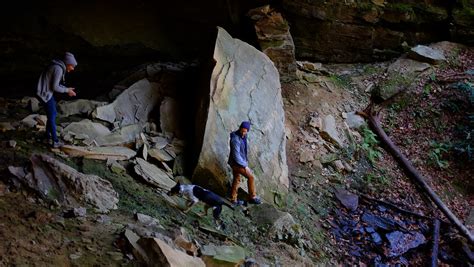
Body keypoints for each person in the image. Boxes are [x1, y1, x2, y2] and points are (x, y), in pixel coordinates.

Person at [37, 52, 77, 148]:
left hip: (45, 92)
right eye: (72, 66)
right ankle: (55, 141)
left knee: (52, 114)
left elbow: (55, 84)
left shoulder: (57, 66)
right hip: (44, 93)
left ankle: (47, 137)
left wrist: (67, 88)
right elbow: (55, 87)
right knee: (52, 116)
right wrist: (67, 91)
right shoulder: (58, 69)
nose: (73, 69)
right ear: (68, 63)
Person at [228, 121, 262, 205]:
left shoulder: (243, 136)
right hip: (236, 164)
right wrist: (245, 166)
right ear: (239, 128)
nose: (243, 132)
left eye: (245, 131)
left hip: (236, 163)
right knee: (251, 177)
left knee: (236, 179)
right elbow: (236, 156)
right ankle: (252, 197)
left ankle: (233, 199)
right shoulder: (235, 139)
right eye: (242, 130)